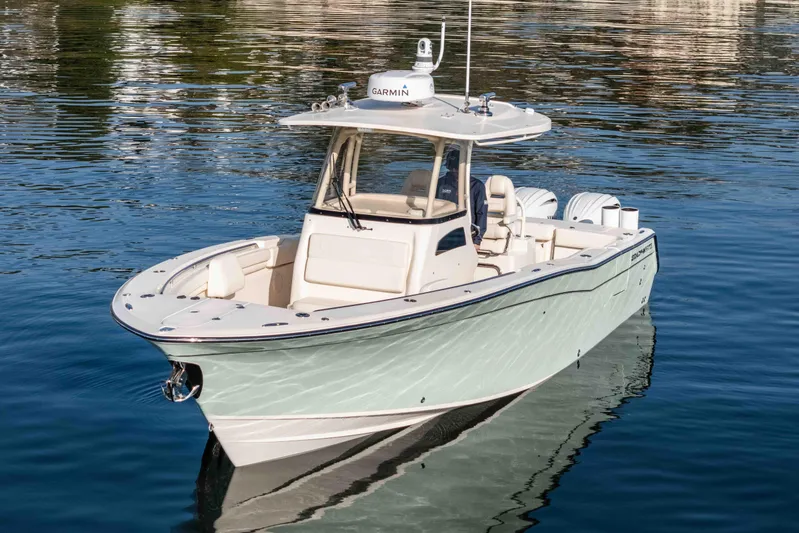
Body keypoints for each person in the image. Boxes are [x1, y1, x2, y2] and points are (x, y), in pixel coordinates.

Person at [436, 147, 487, 250]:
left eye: (457, 168)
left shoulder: (477, 186)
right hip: (443, 230)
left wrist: (477, 240)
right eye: (452, 168)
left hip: (466, 232)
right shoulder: (440, 183)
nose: (454, 171)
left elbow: (481, 213)